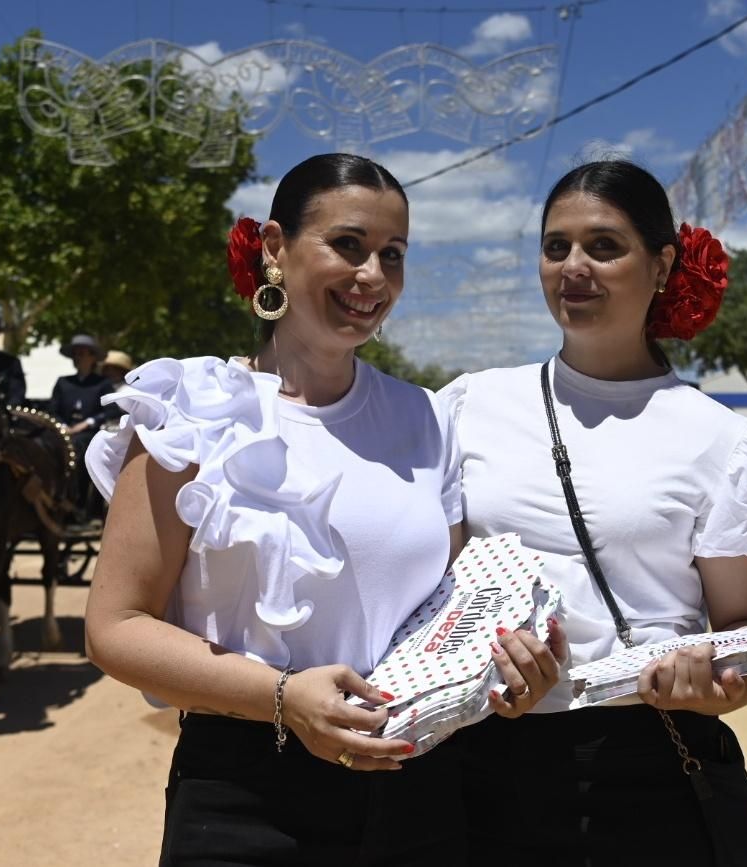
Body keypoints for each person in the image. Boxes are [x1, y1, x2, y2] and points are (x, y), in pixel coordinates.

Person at [83, 153, 562, 866]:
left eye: (392, 255)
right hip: (245, 801)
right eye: (348, 245)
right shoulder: (190, 408)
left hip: (417, 788)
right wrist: (282, 696)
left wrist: (511, 666)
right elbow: (115, 626)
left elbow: (451, 608)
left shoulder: (425, 418)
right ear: (274, 249)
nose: (373, 276)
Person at [442, 160, 747, 865]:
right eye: (556, 246)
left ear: (661, 263)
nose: (573, 267)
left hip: (647, 771)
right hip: (479, 765)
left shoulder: (723, 443)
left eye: (603, 246)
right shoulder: (471, 406)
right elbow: (429, 589)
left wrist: (709, 686)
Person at [51, 334, 117, 521]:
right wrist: (62, 426)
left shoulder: (102, 384)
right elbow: (52, 409)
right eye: (75, 354)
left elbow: (111, 410)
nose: (77, 358)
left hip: (88, 434)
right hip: (61, 432)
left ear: (92, 357)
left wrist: (86, 423)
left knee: (79, 448)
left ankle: (77, 504)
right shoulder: (63, 382)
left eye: (82, 353)